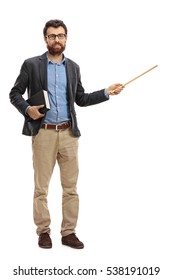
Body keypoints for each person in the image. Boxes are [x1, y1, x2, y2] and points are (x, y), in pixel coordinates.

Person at [9, 19, 124, 249]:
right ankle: (43, 232)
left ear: (66, 38)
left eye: (60, 35)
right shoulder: (31, 64)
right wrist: (27, 109)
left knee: (70, 188)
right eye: (52, 36)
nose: (56, 40)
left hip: (69, 134)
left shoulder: (73, 67)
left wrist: (105, 92)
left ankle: (68, 233)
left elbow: (80, 99)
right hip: (43, 134)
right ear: (45, 39)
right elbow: (15, 93)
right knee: (41, 188)